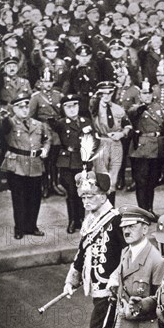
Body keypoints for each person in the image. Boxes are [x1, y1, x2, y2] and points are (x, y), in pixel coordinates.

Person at [64, 171, 126, 328]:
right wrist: (73, 276)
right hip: (96, 287)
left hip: (112, 289)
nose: (85, 200)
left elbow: (130, 254)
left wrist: (117, 277)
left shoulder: (117, 219)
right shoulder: (90, 219)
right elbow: (82, 251)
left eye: (90, 196)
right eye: (83, 196)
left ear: (103, 195)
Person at [0, 93, 51, 239]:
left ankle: (32, 226)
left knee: (34, 198)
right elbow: (5, 127)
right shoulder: (10, 122)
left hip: (35, 165)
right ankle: (19, 228)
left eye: (26, 106)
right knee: (19, 198)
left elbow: (46, 139)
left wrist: (45, 150)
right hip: (17, 165)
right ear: (14, 109)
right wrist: (4, 117)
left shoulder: (38, 124)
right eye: (20, 107)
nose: (24, 110)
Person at [48, 94, 94, 234]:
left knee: (83, 192)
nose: (72, 109)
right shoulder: (61, 123)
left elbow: (94, 139)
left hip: (83, 160)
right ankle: (72, 220)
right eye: (68, 107)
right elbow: (52, 124)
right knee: (72, 192)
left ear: (79, 107)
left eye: (74, 105)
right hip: (67, 161)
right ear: (63, 109)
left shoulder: (86, 121)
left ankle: (82, 220)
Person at [128, 79, 164, 220]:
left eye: (149, 93)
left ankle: (149, 210)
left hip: (156, 147)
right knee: (141, 182)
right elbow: (132, 114)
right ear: (140, 96)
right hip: (141, 149)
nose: (147, 96)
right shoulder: (136, 108)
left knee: (152, 181)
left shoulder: (158, 107)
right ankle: (142, 211)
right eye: (144, 94)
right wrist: (141, 107)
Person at [90, 80, 132, 205]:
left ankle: (110, 211)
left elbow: (128, 125)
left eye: (109, 93)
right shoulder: (95, 107)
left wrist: (122, 133)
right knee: (102, 179)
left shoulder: (118, 109)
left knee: (113, 179)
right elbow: (91, 104)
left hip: (116, 143)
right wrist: (96, 96)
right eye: (103, 93)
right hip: (101, 142)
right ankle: (100, 211)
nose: (106, 96)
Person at [29, 67, 65, 198]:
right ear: (41, 82)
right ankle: (45, 185)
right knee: (44, 160)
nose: (48, 84)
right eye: (45, 82)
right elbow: (31, 117)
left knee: (55, 160)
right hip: (43, 131)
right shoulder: (36, 97)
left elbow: (63, 113)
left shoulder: (58, 96)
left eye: (50, 81)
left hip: (56, 132)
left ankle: (55, 184)